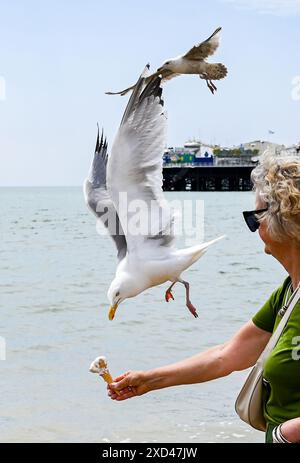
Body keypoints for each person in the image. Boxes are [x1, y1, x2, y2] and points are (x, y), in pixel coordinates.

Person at [108, 153, 300, 443]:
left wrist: (287, 434)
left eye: (254, 219)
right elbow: (225, 356)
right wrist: (148, 380)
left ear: (283, 221)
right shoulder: (288, 294)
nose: (253, 230)